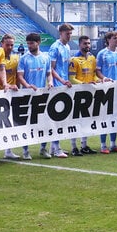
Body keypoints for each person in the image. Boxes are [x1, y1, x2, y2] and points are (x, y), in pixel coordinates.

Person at [68, 36, 110, 155]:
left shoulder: (92, 58)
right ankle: (74, 147)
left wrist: (100, 80)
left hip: (89, 94)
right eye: (85, 43)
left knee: (86, 120)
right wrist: (84, 84)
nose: (87, 46)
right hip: (77, 94)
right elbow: (71, 78)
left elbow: (94, 76)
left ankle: (84, 145)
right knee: (76, 121)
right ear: (79, 45)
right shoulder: (74, 60)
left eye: (88, 43)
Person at [16, 32, 55, 159]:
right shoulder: (24, 58)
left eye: (31, 43)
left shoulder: (46, 57)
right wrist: (27, 86)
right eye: (28, 43)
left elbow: (49, 73)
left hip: (42, 94)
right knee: (27, 123)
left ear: (38, 43)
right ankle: (25, 150)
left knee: (44, 122)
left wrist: (50, 82)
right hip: (27, 95)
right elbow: (20, 76)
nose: (29, 45)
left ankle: (43, 148)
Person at [94, 30, 117, 153]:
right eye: (114, 38)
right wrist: (104, 78)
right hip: (106, 89)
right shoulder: (102, 54)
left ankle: (113, 144)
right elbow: (97, 71)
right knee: (105, 117)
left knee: (115, 117)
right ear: (108, 40)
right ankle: (103, 145)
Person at [48, 23, 75, 157]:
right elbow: (51, 68)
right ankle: (56, 148)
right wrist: (61, 80)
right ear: (61, 33)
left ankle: (53, 147)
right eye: (67, 33)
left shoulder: (67, 47)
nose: (69, 36)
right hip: (57, 85)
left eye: (70, 34)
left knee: (62, 118)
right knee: (57, 118)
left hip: (64, 84)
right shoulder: (55, 47)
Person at [0, 33, 21, 160]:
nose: (10, 47)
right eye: (7, 45)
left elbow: (17, 76)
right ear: (2, 44)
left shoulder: (16, 58)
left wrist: (17, 89)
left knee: (9, 123)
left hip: (11, 94)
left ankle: (8, 150)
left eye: (12, 45)